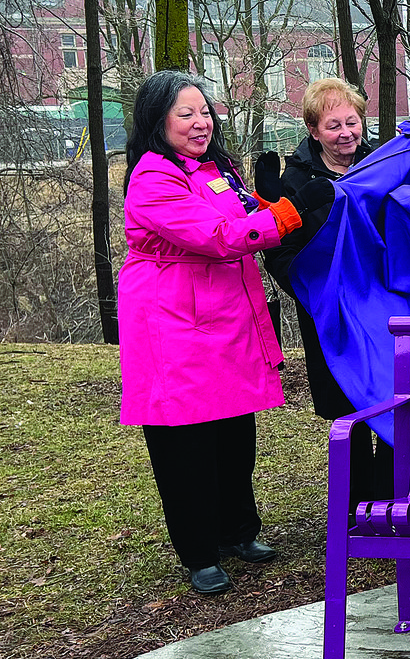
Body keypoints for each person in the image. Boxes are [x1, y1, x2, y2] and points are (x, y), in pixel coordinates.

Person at [119, 70, 301, 595]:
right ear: (158, 121)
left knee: (233, 432)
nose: (202, 123)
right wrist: (290, 214)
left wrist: (274, 199)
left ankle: (238, 531)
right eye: (186, 114)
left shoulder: (217, 167)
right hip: (173, 320)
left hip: (225, 315)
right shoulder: (153, 179)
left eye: (205, 112)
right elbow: (217, 235)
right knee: (186, 441)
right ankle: (199, 552)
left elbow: (247, 217)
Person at [262, 78, 392, 507]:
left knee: (392, 398)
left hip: (382, 308)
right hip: (330, 310)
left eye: (352, 121)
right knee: (349, 409)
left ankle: (391, 502)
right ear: (314, 130)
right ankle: (357, 508)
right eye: (333, 124)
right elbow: (281, 252)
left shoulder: (380, 167)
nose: (346, 133)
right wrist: (313, 291)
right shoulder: (295, 180)